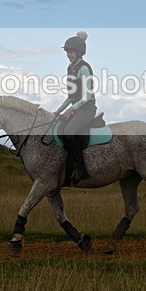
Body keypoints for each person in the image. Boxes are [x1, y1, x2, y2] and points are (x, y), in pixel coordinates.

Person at [56, 31, 97, 184]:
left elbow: (86, 96)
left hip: (87, 109)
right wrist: (59, 110)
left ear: (79, 52)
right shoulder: (70, 68)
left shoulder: (84, 68)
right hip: (77, 108)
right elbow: (72, 96)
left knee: (69, 131)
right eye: (67, 52)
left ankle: (81, 169)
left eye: (71, 51)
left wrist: (72, 109)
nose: (68, 54)